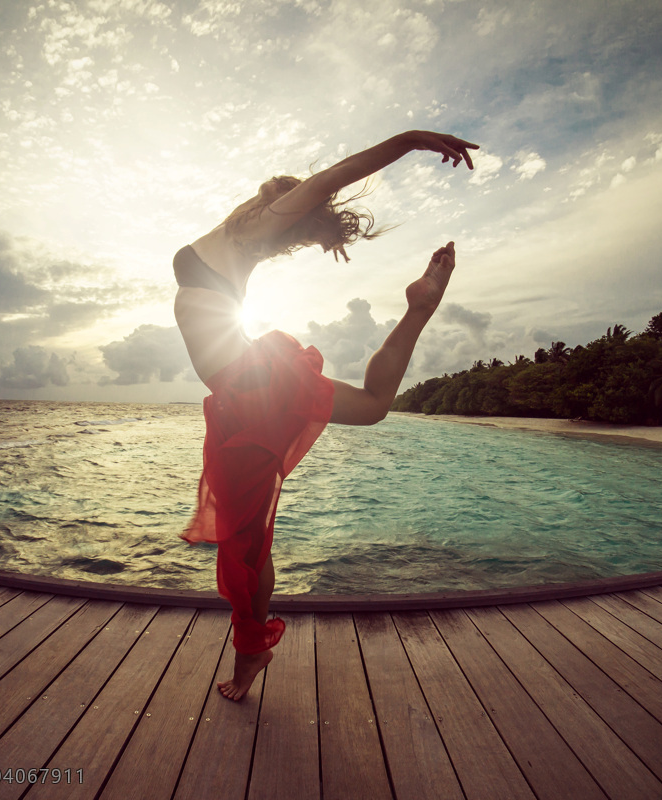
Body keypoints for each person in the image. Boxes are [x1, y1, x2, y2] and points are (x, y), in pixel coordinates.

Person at [174, 130, 479, 700]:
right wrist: (320, 232)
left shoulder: (252, 227)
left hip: (250, 385)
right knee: (370, 408)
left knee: (246, 544)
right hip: (247, 389)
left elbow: (335, 175)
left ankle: (250, 655)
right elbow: (313, 197)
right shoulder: (246, 236)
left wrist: (412, 140)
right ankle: (419, 310)